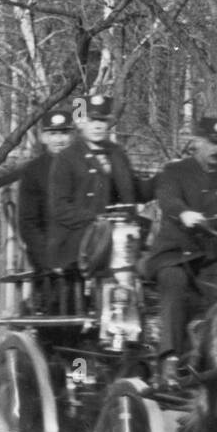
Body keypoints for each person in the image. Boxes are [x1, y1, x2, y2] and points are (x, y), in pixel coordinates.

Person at [141, 116, 217, 387]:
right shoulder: (175, 171)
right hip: (173, 254)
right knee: (175, 284)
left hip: (210, 257)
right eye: (211, 143)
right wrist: (184, 213)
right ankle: (169, 361)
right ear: (197, 142)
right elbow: (167, 198)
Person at [47, 94, 154, 311]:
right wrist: (96, 219)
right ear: (80, 122)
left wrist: (167, 178)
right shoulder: (67, 158)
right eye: (91, 120)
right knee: (113, 246)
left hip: (119, 233)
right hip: (77, 235)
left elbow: (135, 191)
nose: (97, 126)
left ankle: (137, 310)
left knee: (149, 255)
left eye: (102, 121)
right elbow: (59, 207)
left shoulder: (117, 153)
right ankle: (111, 310)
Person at [16, 108, 74, 312]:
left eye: (64, 133)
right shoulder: (34, 172)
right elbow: (28, 223)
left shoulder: (85, 166)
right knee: (57, 304)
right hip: (49, 254)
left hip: (84, 249)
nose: (59, 139)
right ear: (43, 137)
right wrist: (49, 259)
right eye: (53, 133)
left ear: (72, 135)